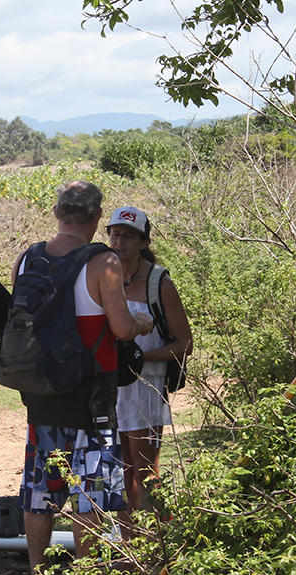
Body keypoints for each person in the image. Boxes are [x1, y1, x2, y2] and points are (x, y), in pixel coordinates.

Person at [14, 182, 154, 575]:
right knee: (88, 495)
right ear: (96, 220)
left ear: (57, 212)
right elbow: (122, 328)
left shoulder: (27, 258)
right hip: (90, 398)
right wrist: (142, 324)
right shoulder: (103, 261)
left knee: (39, 493)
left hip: (41, 395)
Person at [106, 206, 193, 525]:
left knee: (146, 474)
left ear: (143, 242)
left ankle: (162, 549)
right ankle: (132, 556)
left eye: (129, 236)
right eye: (115, 233)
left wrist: (142, 358)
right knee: (120, 476)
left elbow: (184, 343)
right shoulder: (103, 274)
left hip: (145, 390)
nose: (120, 241)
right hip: (109, 389)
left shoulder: (159, 283)